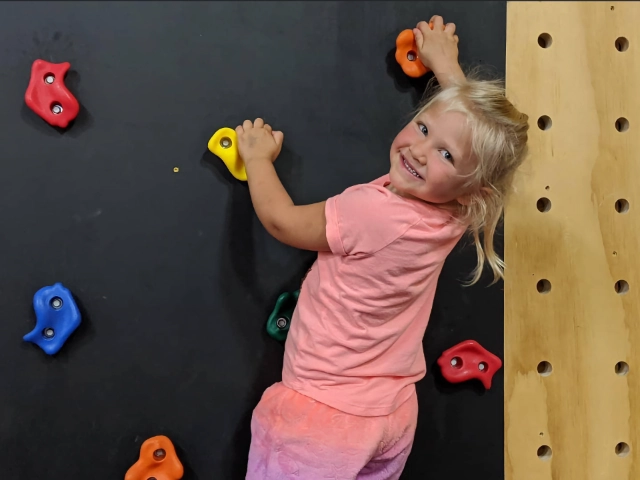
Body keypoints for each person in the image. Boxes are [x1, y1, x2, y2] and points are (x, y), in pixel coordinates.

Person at [237, 15, 529, 480]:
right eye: (423, 128)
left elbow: (282, 220)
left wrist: (255, 158)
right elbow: (467, 141)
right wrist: (447, 68)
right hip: (391, 415)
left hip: (321, 416)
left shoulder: (368, 212)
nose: (419, 150)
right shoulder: (455, 212)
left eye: (444, 154)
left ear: (471, 190)